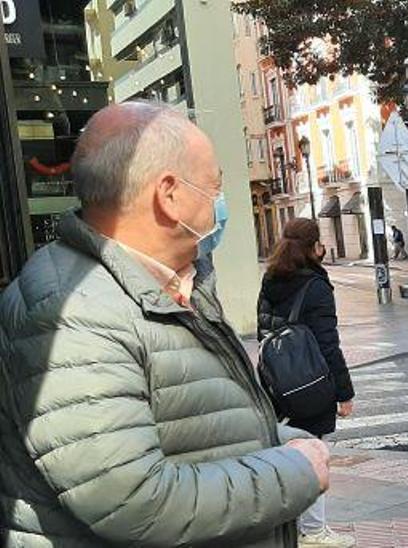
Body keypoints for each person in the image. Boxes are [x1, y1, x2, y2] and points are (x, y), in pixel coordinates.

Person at [0, 101, 327, 546]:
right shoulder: (78, 314)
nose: (220, 199)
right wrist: (295, 471)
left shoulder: (171, 282)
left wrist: (272, 437)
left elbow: (188, 422)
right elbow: (131, 499)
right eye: (215, 184)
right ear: (169, 195)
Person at [258, 218, 357, 548]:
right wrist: (344, 393)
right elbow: (328, 343)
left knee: (286, 452)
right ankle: (314, 532)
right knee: (313, 453)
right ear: (315, 247)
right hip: (310, 383)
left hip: (276, 383)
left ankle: (289, 529)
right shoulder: (315, 286)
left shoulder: (271, 278)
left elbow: (263, 330)